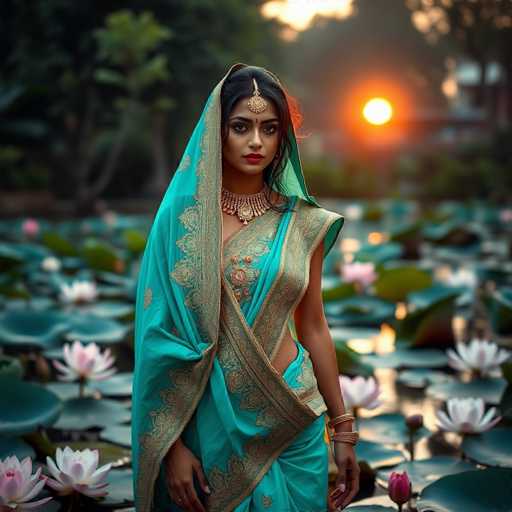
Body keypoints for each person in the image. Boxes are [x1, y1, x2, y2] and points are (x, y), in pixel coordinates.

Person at [131, 63, 360, 512]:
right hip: (205, 427)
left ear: (282, 140)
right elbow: (156, 336)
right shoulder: (183, 224)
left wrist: (344, 427)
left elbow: (313, 326)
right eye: (241, 127)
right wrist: (172, 444)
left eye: (269, 129)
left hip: (294, 421)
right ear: (218, 133)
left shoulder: (304, 224)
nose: (256, 141)